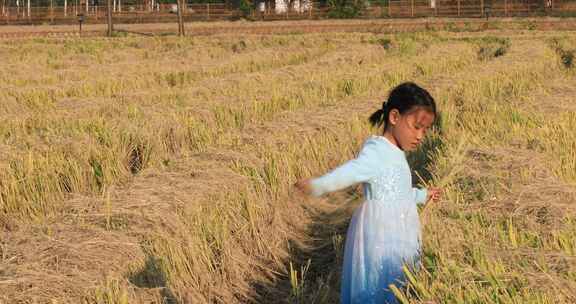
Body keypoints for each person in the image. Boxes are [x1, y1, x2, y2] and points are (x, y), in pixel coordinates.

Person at [295, 82, 442, 304]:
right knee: (378, 284)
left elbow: (399, 191)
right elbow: (349, 173)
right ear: (394, 117)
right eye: (416, 127)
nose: (421, 136)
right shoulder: (377, 151)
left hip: (401, 233)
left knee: (399, 283)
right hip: (380, 237)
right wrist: (318, 186)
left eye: (425, 130)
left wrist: (422, 195)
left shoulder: (396, 152)